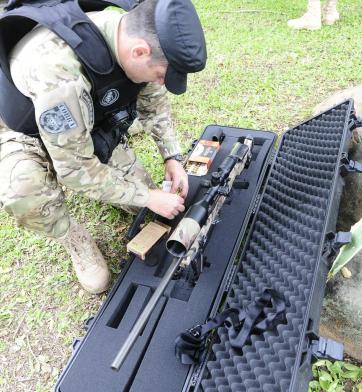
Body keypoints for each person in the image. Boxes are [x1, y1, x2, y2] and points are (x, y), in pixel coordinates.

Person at [0, 0, 207, 294]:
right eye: (162, 74)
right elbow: (75, 171)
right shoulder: (59, 75)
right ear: (140, 52)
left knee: (144, 197)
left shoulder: (134, 37)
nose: (160, 81)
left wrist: (172, 157)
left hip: (86, 122)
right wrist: (147, 196)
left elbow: (154, 102)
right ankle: (73, 238)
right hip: (25, 133)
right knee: (23, 190)